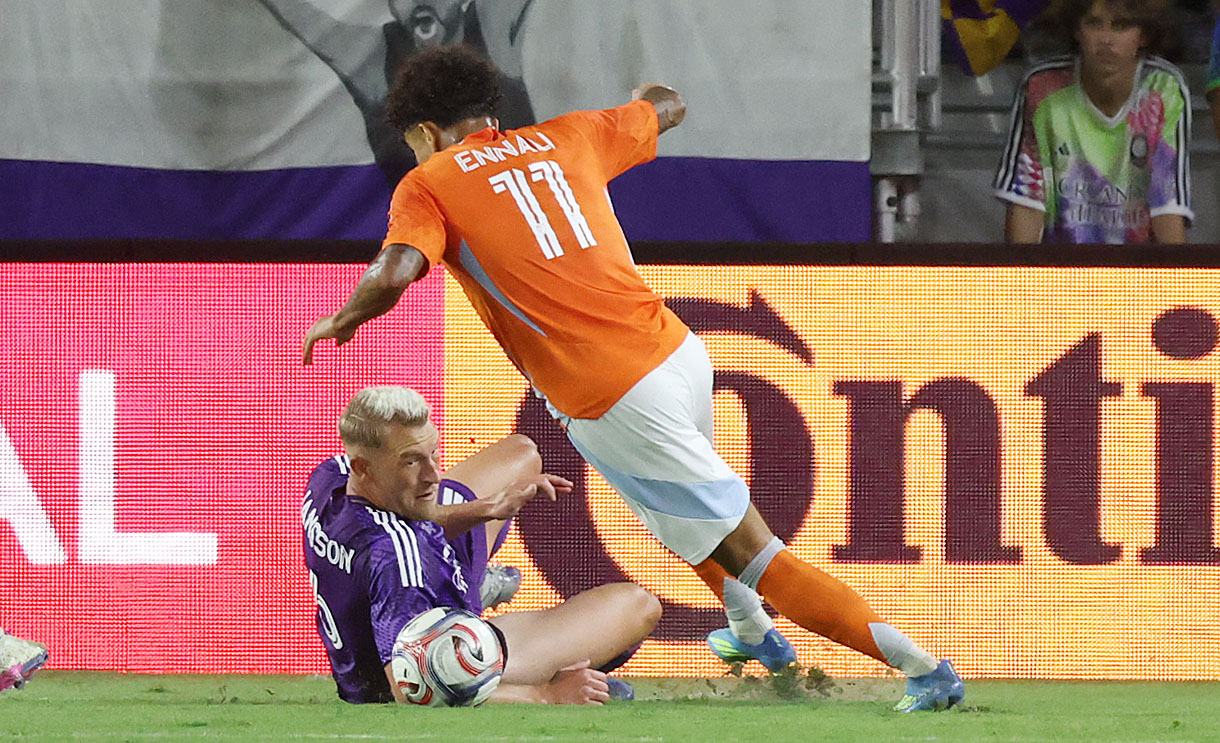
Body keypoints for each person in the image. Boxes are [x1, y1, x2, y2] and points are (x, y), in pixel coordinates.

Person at [301, 46, 963, 712]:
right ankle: (751, 631)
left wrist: (343, 318)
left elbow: (394, 271)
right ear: (487, 110)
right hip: (675, 352)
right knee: (677, 514)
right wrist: (646, 88)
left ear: (423, 132)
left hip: (611, 393)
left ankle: (922, 667)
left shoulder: (431, 180)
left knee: (754, 553)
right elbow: (667, 103)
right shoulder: (568, 135)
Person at [304, 385, 658, 705]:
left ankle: (467, 581)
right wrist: (545, 696)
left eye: (434, 453)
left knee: (522, 453)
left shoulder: (330, 479)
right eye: (411, 462)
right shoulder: (399, 566)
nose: (433, 474)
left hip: (401, 592)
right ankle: (490, 626)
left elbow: (400, 525)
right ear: (364, 468)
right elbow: (409, 690)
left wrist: (487, 509)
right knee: (637, 606)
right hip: (445, 652)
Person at [255, 0, 535, 184]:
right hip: (433, 252)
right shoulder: (376, 60)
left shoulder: (490, 28)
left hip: (521, 238)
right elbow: (297, 13)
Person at [994, 0, 1193, 244]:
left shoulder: (1164, 89)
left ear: (1143, 35)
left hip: (1138, 275)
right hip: (1057, 272)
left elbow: (1167, 206)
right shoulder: (1040, 88)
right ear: (1077, 31)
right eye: (1094, 24)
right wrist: (1022, 279)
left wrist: (1171, 279)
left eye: (1121, 26)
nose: (1106, 40)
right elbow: (1026, 204)